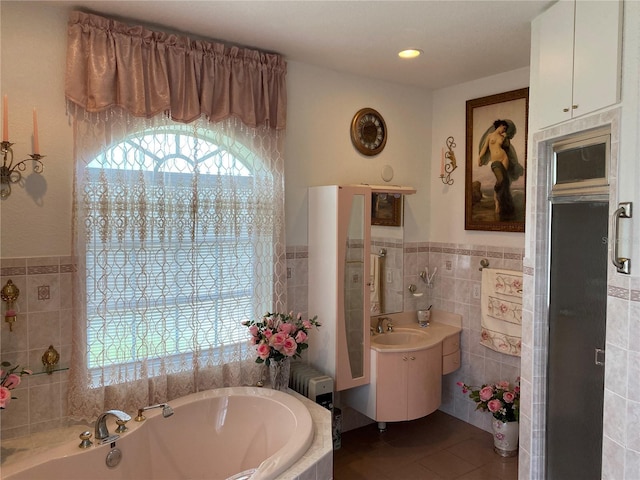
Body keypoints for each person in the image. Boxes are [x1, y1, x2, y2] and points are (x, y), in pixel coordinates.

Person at [477, 119, 523, 220]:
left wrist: (506, 138)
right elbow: (484, 148)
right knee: (500, 180)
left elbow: (506, 146)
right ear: (500, 125)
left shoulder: (503, 137)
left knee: (504, 182)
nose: (504, 131)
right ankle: (497, 198)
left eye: (505, 129)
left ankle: (500, 204)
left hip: (504, 159)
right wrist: (479, 158)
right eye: (504, 128)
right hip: (495, 161)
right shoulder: (490, 136)